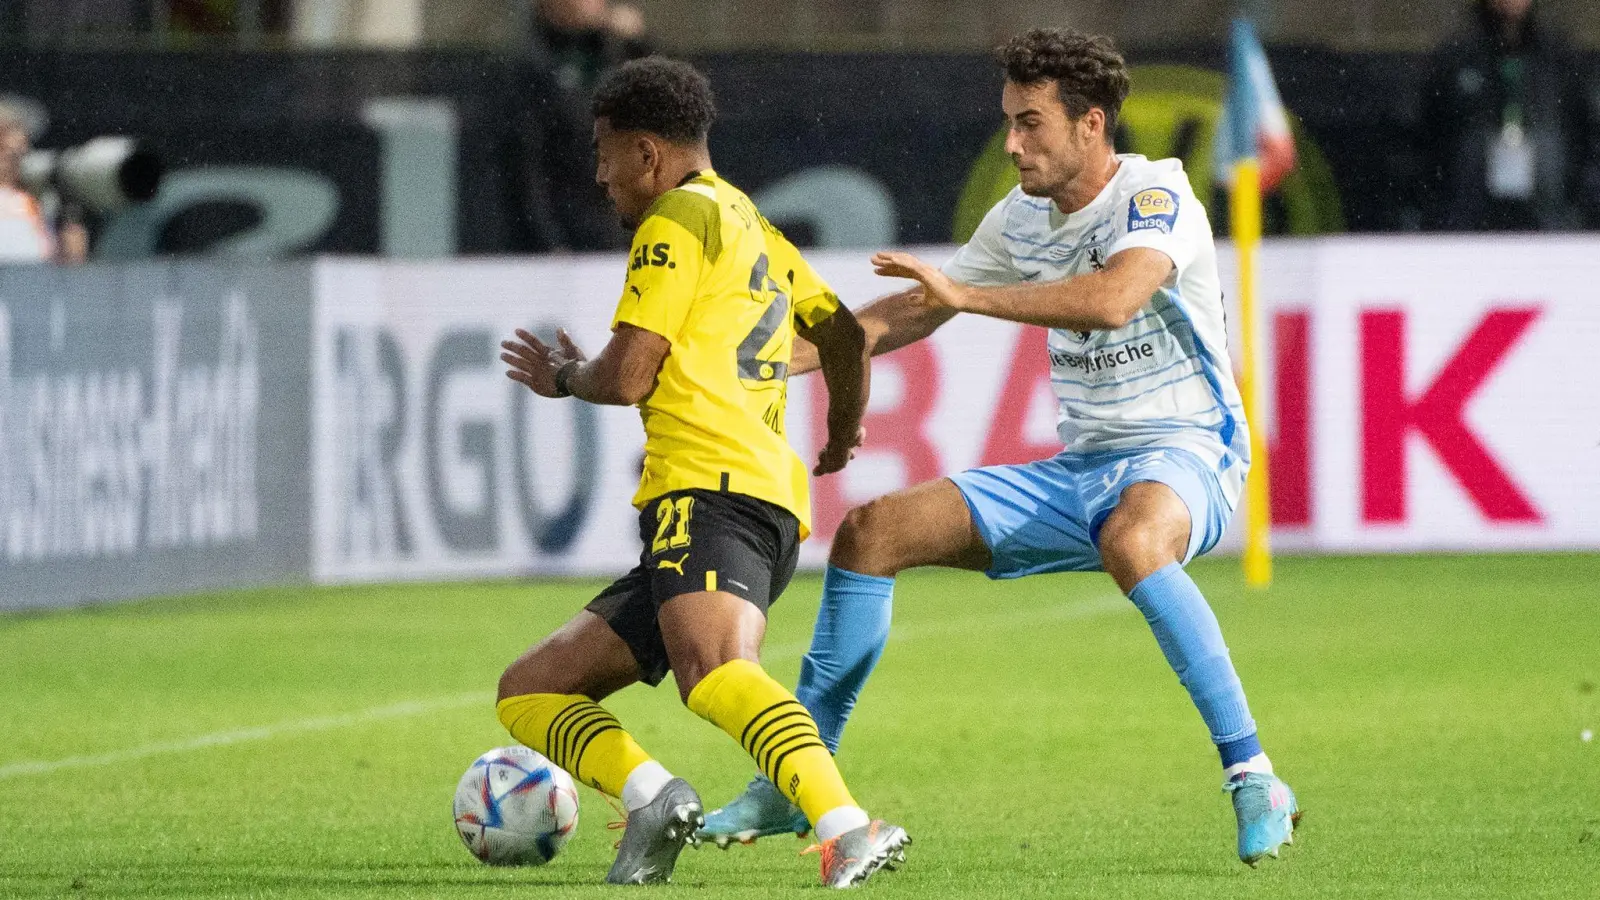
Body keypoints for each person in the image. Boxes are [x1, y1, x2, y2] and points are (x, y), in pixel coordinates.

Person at [698, 28, 1300, 867]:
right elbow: (919, 308)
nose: (1013, 142)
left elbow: (1117, 299)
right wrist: (779, 363)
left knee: (1133, 538)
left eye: (1031, 123)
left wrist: (973, 296)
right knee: (872, 533)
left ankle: (1254, 774)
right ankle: (795, 784)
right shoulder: (1020, 216)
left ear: (1091, 125)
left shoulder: (1157, 196)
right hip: (1080, 470)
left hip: (1188, 451)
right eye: (1009, 122)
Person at [495, 56, 909, 888]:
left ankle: (847, 826)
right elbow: (839, 336)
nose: (600, 174)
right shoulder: (752, 225)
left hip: (710, 491)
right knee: (532, 690)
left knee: (717, 670)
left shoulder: (676, 221)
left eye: (606, 151)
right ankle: (654, 799)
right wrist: (845, 428)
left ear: (649, 153)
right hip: (743, 500)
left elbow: (626, 375)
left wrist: (565, 379)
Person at [1417, 0, 1600, 230]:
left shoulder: (1559, 57)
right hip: (1468, 221)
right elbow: (1429, 143)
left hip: (1550, 219)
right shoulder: (1456, 57)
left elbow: (1584, 135)